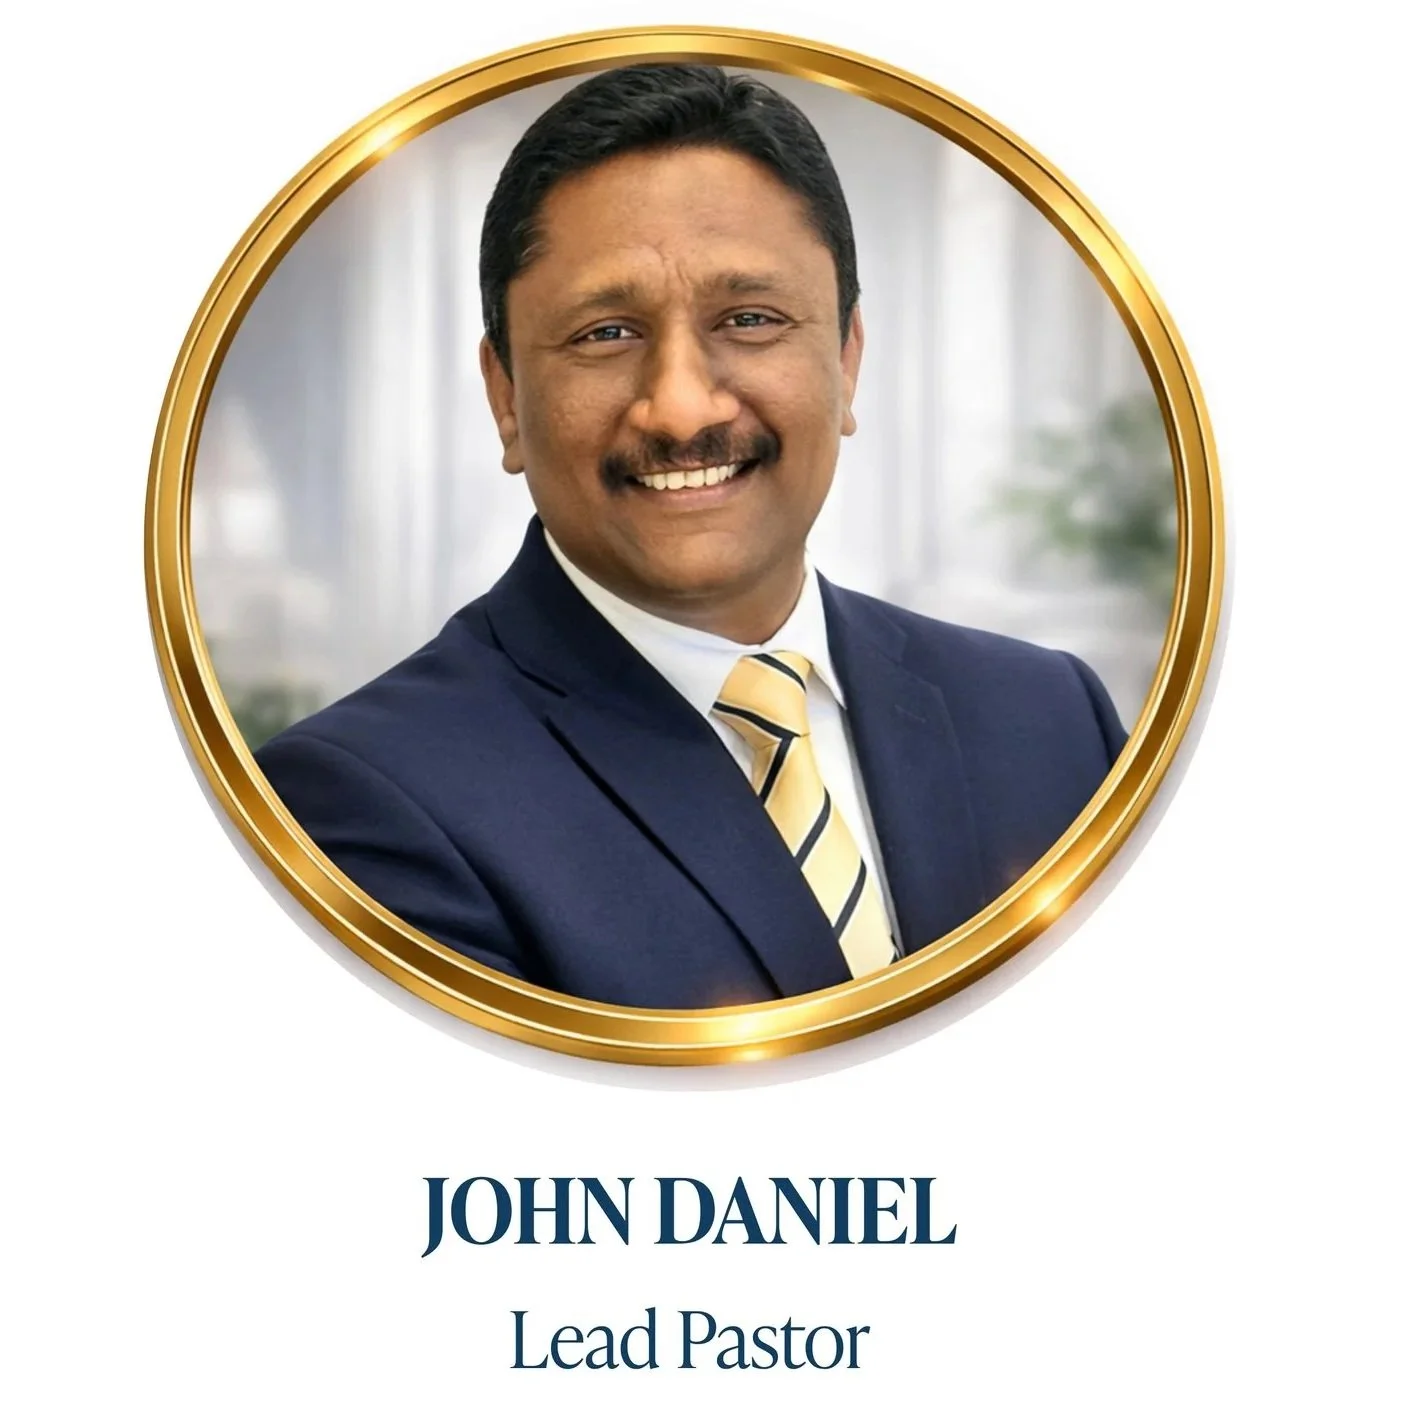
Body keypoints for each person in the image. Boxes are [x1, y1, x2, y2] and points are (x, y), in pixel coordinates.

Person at [256, 64, 1127, 1010]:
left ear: (846, 362)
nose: (679, 407)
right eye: (606, 333)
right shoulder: (354, 803)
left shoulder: (1053, 722)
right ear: (506, 396)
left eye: (750, 320)